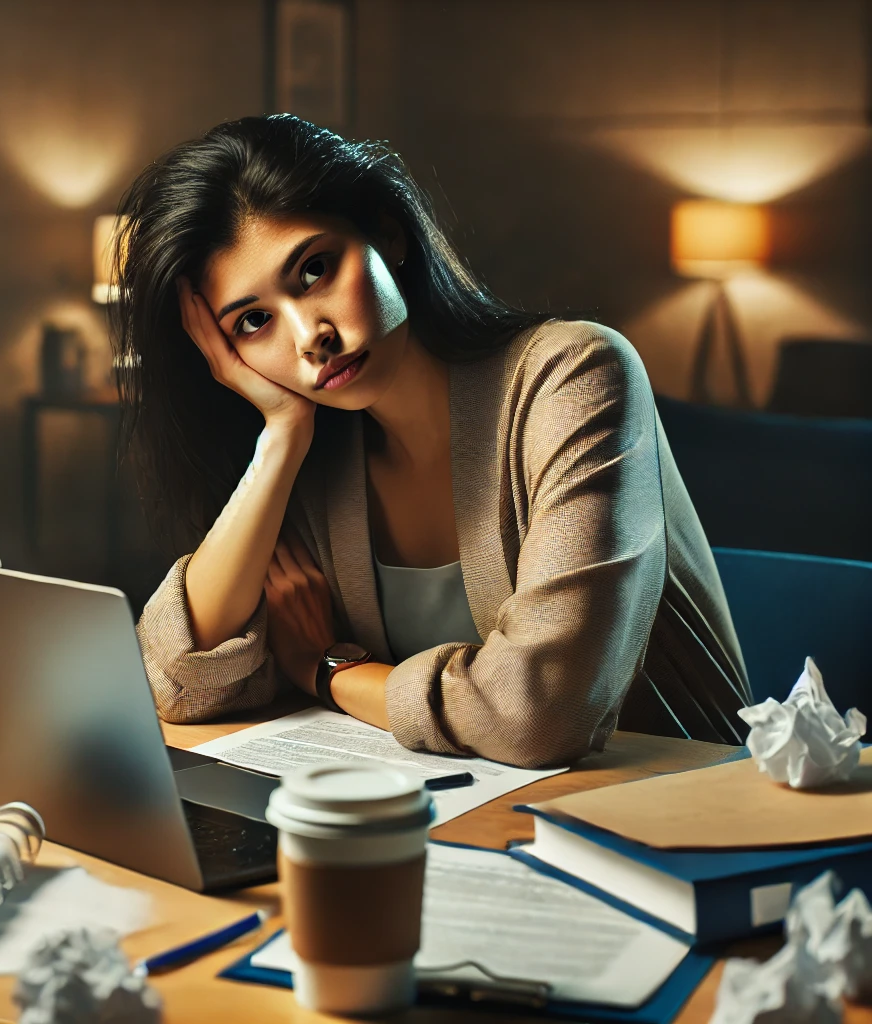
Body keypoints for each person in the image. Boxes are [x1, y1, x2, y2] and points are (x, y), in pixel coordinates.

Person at [110, 113, 751, 769]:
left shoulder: (573, 376)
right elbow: (178, 683)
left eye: (314, 270)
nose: (309, 336)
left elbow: (538, 714)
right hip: (479, 825)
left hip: (674, 823)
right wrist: (281, 436)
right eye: (253, 322)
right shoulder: (317, 458)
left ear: (387, 233)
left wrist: (325, 669)